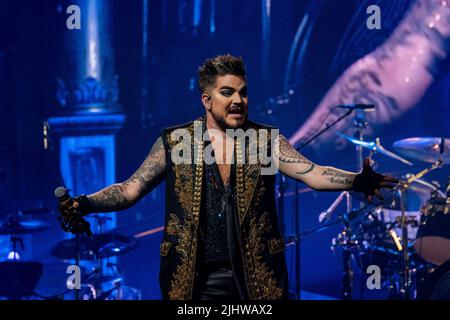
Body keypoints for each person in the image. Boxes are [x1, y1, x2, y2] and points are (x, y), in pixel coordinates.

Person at [58, 54, 397, 300]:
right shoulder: (177, 142)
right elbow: (131, 188)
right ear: (206, 99)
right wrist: (84, 203)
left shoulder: (265, 141)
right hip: (191, 282)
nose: (238, 100)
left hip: (255, 280)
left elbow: (312, 173)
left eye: (243, 92)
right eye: (227, 93)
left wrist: (356, 180)